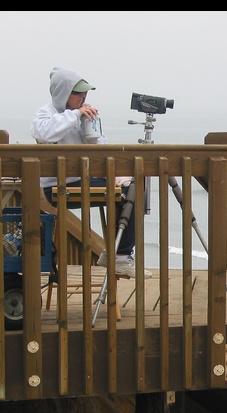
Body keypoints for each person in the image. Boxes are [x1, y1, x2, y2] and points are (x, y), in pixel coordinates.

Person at [31, 67, 151, 279]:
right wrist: (76, 114)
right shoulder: (47, 113)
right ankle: (120, 256)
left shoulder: (78, 116)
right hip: (59, 187)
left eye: (84, 92)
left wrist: (90, 128)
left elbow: (100, 149)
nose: (83, 96)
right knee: (126, 195)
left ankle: (116, 254)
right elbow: (43, 132)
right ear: (63, 93)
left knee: (131, 190)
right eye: (77, 92)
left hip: (84, 181)